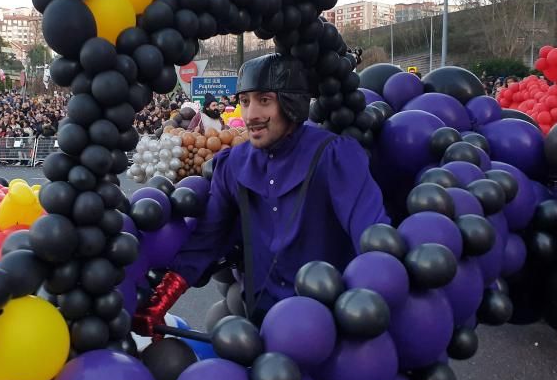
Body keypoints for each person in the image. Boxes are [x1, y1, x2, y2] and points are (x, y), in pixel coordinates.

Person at [133, 53, 390, 336]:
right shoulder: (233, 164)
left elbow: (372, 237)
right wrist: (159, 303)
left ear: (291, 103)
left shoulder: (334, 155)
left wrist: (368, 309)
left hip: (331, 327)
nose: (251, 114)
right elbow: (206, 240)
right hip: (263, 324)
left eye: (264, 100)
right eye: (244, 101)